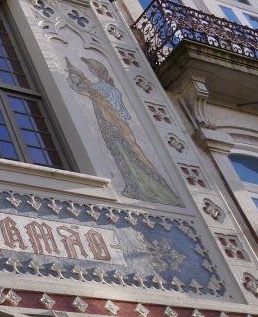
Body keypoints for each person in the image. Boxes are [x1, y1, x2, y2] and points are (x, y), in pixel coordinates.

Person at [67, 57, 183, 206]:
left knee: (127, 154)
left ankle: (143, 188)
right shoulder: (101, 87)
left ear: (99, 71)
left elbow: (103, 100)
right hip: (109, 126)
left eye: (92, 69)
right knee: (120, 154)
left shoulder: (106, 88)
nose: (91, 71)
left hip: (115, 126)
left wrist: (80, 80)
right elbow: (88, 91)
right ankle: (134, 186)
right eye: (89, 70)